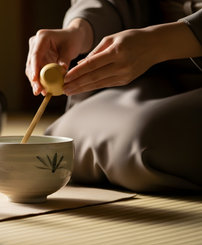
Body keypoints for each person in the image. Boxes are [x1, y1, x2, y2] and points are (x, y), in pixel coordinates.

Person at [25, 0, 202, 192]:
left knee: (141, 141)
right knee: (63, 139)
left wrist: (160, 41)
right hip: (155, 73)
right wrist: (80, 28)